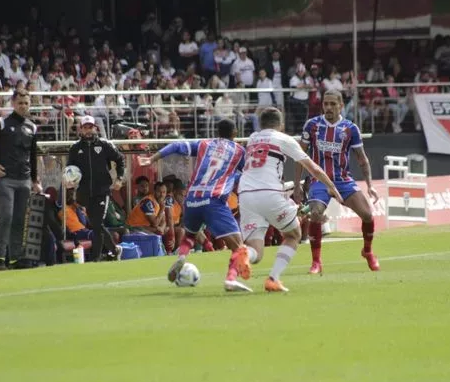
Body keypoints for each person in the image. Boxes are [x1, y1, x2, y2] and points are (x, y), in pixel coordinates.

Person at [140, 119, 253, 292]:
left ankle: (182, 256)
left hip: (191, 199)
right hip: (214, 200)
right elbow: (248, 174)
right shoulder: (239, 151)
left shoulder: (204, 144)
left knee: (190, 235)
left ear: (217, 132)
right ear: (235, 134)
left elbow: (177, 145)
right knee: (239, 247)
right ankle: (230, 279)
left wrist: (152, 159)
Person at [239, 108, 342, 292]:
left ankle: (245, 255)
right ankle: (273, 279)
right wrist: (331, 186)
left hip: (245, 194)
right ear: (281, 126)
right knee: (293, 234)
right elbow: (313, 168)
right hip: (268, 192)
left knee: (256, 251)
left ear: (260, 124)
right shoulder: (283, 139)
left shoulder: (252, 138)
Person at [294, 90, 380, 274]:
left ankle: (367, 251)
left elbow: (362, 159)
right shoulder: (312, 125)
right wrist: (297, 186)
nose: (329, 107)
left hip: (343, 181)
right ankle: (316, 262)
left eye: (333, 104)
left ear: (341, 105)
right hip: (319, 181)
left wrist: (370, 186)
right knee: (315, 214)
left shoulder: (350, 129)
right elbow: (299, 156)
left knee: (367, 215)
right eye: (326, 103)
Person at [0, 88, 42, 270]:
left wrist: (35, 180)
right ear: (13, 103)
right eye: (20, 103)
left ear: (30, 105)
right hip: (5, 178)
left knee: (20, 219)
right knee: (6, 215)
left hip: (24, 180)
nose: (23, 106)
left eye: (26, 103)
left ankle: (15, 258)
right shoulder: (1, 123)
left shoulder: (32, 126)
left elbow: (33, 154)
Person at [67, 115, 125, 261]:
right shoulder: (75, 148)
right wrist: (69, 185)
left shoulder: (104, 145)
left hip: (102, 191)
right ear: (81, 129)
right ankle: (114, 249)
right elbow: (70, 169)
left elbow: (120, 159)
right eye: (85, 127)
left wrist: (119, 178)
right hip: (84, 193)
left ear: (95, 128)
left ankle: (95, 259)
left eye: (90, 127)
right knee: (95, 225)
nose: (88, 130)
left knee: (97, 224)